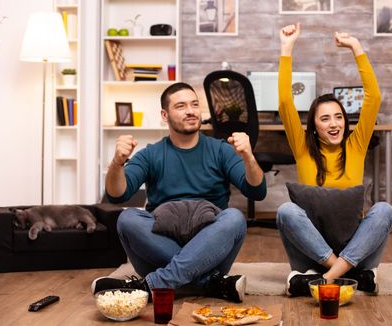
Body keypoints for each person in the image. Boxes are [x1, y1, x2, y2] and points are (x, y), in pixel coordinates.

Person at [91, 82, 266, 303]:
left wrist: (249, 157)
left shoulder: (220, 149)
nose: (191, 111)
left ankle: (151, 285)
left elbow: (257, 191)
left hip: (211, 245)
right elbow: (117, 195)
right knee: (127, 218)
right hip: (160, 244)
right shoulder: (151, 154)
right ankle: (209, 282)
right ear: (165, 115)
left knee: (234, 218)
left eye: (194, 104)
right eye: (181, 106)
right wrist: (117, 163)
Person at [277, 23, 392, 296]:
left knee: (385, 210)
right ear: (314, 126)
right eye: (325, 118)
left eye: (339, 117)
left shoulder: (356, 145)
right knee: (286, 211)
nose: (334, 124)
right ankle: (346, 275)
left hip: (356, 249)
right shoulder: (303, 147)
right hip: (312, 252)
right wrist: (287, 47)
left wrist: (356, 47)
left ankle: (326, 278)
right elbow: (285, 102)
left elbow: (373, 97)